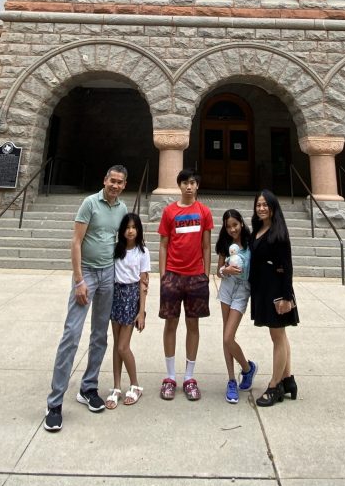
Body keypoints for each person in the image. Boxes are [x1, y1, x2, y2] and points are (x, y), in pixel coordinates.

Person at [44, 165, 128, 431]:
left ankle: (89, 387)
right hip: (88, 274)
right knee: (71, 334)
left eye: (120, 182)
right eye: (112, 180)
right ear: (104, 180)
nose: (115, 185)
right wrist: (79, 279)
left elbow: (120, 243)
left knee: (100, 335)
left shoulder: (123, 210)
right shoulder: (89, 203)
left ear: (124, 185)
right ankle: (55, 403)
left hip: (108, 274)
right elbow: (76, 241)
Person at [158, 168, 213, 401]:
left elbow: (207, 246)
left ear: (197, 186)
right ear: (179, 186)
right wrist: (163, 275)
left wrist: (206, 274)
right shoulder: (169, 212)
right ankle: (170, 376)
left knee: (193, 326)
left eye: (193, 183)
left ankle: (189, 377)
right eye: (185, 183)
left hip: (195, 276)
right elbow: (163, 244)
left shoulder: (204, 212)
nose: (189, 186)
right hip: (173, 275)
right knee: (170, 325)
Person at [249, 189, 299, 407]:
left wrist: (286, 296)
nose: (261, 208)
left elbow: (287, 266)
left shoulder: (279, 232)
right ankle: (288, 380)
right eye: (258, 204)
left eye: (265, 205)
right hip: (263, 287)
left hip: (276, 290)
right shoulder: (258, 229)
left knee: (277, 336)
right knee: (279, 335)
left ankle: (274, 385)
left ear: (273, 207)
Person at [105, 212, 150, 409]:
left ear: (139, 230)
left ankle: (135, 384)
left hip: (132, 297)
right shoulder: (116, 250)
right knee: (116, 346)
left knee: (124, 346)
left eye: (134, 227)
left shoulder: (143, 252)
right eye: (127, 227)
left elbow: (144, 282)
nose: (130, 231)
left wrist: (142, 312)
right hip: (116, 295)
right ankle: (116, 387)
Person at [215, 208, 257, 404]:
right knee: (226, 337)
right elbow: (218, 271)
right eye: (228, 226)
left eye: (235, 225)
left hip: (242, 291)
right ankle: (232, 380)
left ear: (241, 223)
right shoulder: (225, 244)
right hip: (226, 289)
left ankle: (248, 369)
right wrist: (226, 269)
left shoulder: (251, 242)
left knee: (228, 336)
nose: (232, 229)